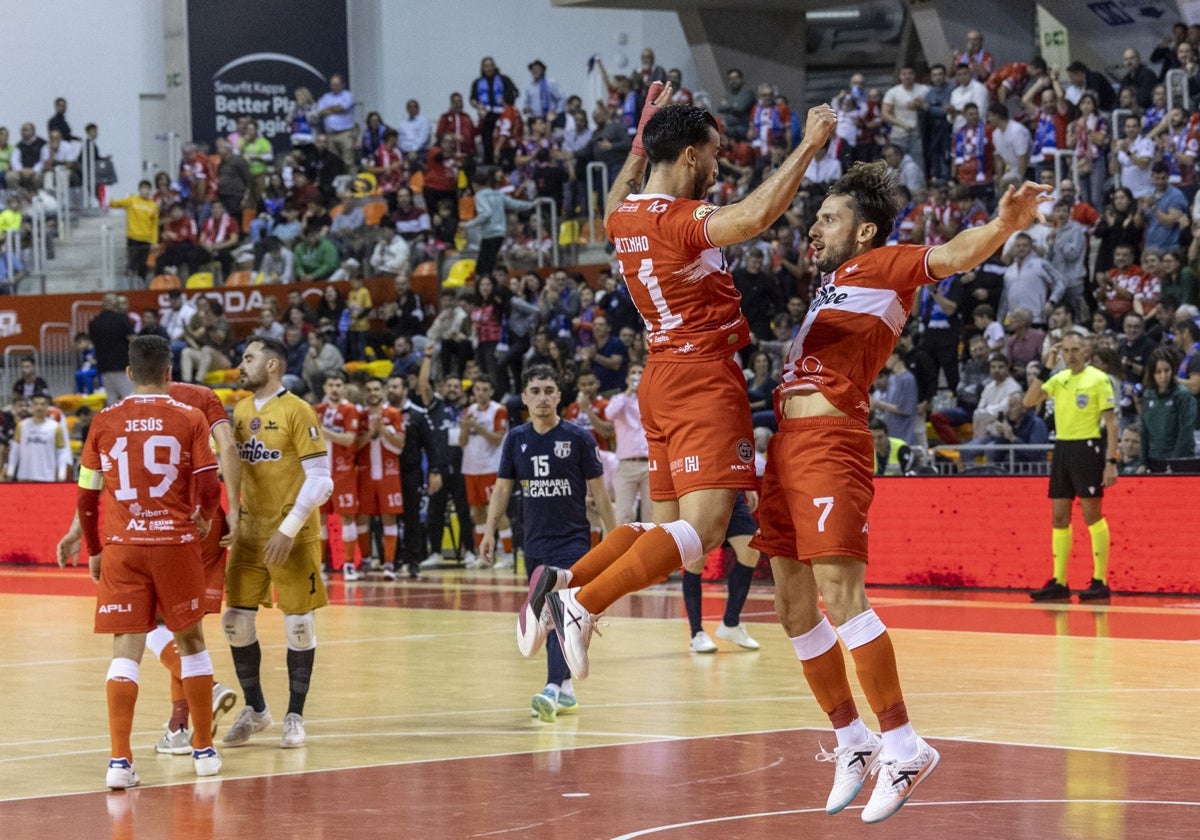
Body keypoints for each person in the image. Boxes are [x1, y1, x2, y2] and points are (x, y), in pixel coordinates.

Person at [743, 161, 1052, 823]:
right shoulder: (830, 285)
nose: (816, 227)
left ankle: (903, 744)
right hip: (788, 449)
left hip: (830, 444)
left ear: (865, 232)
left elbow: (951, 256)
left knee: (840, 593)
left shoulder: (885, 265)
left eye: (830, 218)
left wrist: (1002, 223)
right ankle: (852, 740)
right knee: (793, 605)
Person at [516, 86, 837, 676]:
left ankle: (563, 580)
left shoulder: (625, 216)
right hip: (702, 378)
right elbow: (757, 216)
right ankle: (580, 605)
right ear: (691, 156)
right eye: (715, 154)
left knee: (664, 533)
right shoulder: (683, 221)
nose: (719, 168)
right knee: (707, 529)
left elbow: (618, 193)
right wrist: (808, 147)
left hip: (659, 378)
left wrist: (639, 142)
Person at [58, 377, 241, 756]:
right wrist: (231, 512)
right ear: (168, 366)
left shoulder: (113, 415)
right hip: (195, 525)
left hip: (138, 534)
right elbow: (226, 447)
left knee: (148, 629)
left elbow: (95, 484)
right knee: (186, 629)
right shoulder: (201, 400)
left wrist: (82, 534)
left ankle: (148, 743)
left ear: (131, 371)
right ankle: (186, 731)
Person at [75, 335, 223, 788]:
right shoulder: (191, 417)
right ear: (169, 372)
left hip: (123, 546)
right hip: (176, 544)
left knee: (126, 650)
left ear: (131, 373)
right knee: (192, 640)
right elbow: (210, 486)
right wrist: (205, 518)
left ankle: (119, 762)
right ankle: (203, 750)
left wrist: (95, 550)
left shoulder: (103, 420)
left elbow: (86, 493)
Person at [480, 365, 614, 721]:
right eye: (535, 391)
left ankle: (552, 687)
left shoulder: (579, 438)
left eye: (549, 390)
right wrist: (490, 530)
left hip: (573, 542)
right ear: (524, 398)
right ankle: (566, 689)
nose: (542, 397)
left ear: (559, 396)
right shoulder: (516, 438)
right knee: (548, 618)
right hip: (534, 542)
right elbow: (503, 489)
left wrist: (616, 540)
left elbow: (599, 494)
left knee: (560, 610)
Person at [222, 337, 334, 749]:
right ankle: (257, 710)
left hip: (293, 534)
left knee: (299, 626)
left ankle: (294, 715)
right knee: (234, 622)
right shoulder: (242, 410)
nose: (241, 364)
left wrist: (289, 529)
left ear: (272, 365)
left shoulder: (298, 410)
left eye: (248, 357)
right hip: (250, 535)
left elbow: (321, 479)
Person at [1025, 333, 1118, 602]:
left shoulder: (1098, 379)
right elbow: (1029, 401)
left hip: (1087, 448)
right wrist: (1047, 364)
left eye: (1076, 349)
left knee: (1092, 515)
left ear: (1086, 351)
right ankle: (1059, 580)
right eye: (1066, 350)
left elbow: (1111, 423)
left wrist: (1110, 462)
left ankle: (1100, 580)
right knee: (1059, 517)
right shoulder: (1059, 379)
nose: (1071, 354)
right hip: (1062, 449)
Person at [682, 491, 762, 653]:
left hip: (731, 492)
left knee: (750, 552)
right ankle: (696, 633)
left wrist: (747, 487)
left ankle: (731, 623)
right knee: (696, 559)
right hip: (700, 493)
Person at [314, 370, 365, 580]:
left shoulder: (350, 409)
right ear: (325, 388)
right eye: (331, 385)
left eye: (338, 385)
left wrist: (324, 431)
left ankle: (349, 565)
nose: (334, 389)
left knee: (346, 516)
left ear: (343, 388)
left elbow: (348, 440)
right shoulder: (317, 410)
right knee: (320, 518)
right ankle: (321, 566)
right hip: (320, 471)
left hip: (343, 472)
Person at [460, 376, 512, 568]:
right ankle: (485, 556)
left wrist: (476, 426)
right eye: (478, 389)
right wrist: (465, 428)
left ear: (491, 392)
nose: (480, 393)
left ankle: (507, 554)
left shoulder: (498, 410)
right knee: (478, 513)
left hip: (491, 467)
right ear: (473, 391)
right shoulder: (468, 411)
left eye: (485, 389)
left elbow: (497, 439)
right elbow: (462, 442)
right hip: (471, 468)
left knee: (498, 512)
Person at [1140, 347, 1197, 469]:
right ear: (1152, 373)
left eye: (1167, 370)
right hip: (1153, 458)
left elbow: (1185, 433)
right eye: (1158, 372)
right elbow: (1144, 431)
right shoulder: (1148, 395)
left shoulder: (1182, 395)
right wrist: (1142, 462)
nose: (1163, 376)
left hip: (1177, 460)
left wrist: (1175, 462)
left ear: (1173, 370)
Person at [4, 391, 68, 482]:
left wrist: (62, 474)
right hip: (25, 476)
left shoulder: (55, 427)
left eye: (42, 404)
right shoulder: (22, 426)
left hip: (47, 477)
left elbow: (61, 452)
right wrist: (10, 471)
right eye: (36, 404)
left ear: (47, 406)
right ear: (31, 406)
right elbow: (15, 450)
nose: (39, 407)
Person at [88, 293, 136, 400]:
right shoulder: (121, 318)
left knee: (111, 398)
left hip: (104, 366)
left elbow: (93, 341)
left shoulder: (94, 322)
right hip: (122, 365)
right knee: (129, 396)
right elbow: (133, 339)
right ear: (114, 303)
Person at [109, 180, 159, 283]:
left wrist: (154, 241)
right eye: (143, 188)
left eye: (147, 189)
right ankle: (129, 282)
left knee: (143, 263)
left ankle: (142, 282)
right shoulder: (132, 200)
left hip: (146, 239)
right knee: (132, 262)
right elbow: (117, 203)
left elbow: (155, 225)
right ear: (139, 189)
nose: (145, 191)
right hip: (133, 237)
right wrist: (108, 201)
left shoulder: (153, 205)